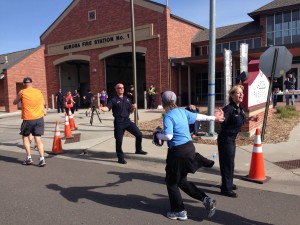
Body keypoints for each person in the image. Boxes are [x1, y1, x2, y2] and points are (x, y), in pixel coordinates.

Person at [154, 91, 225, 221]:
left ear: (163, 102)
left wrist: (158, 135)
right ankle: (206, 199)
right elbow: (199, 117)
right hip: (189, 148)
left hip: (177, 153)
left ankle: (179, 211)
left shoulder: (168, 115)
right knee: (181, 181)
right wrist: (214, 118)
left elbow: (169, 136)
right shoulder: (182, 111)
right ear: (175, 101)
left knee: (171, 182)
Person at [217, 84, 257, 198]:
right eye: (238, 93)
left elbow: (241, 119)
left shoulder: (239, 108)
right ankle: (225, 188)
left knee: (230, 162)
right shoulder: (229, 109)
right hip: (225, 139)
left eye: (242, 93)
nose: (241, 95)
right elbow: (222, 120)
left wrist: (250, 118)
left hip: (232, 139)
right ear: (232, 95)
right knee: (227, 164)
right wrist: (220, 117)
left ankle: (228, 183)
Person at [99, 83, 147, 164]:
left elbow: (130, 111)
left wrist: (133, 108)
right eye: (119, 88)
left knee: (139, 134)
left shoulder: (127, 99)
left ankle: (138, 150)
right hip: (119, 122)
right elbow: (107, 108)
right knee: (119, 140)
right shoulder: (113, 100)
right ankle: (120, 158)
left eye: (122, 88)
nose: (121, 89)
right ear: (116, 89)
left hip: (127, 121)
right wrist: (102, 108)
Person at [13, 77, 47, 167]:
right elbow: (43, 103)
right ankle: (42, 159)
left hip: (28, 118)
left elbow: (14, 102)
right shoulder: (38, 92)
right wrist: (43, 109)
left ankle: (29, 158)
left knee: (25, 137)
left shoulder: (22, 92)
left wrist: (18, 100)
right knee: (38, 138)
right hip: (39, 118)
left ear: (24, 84)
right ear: (32, 83)